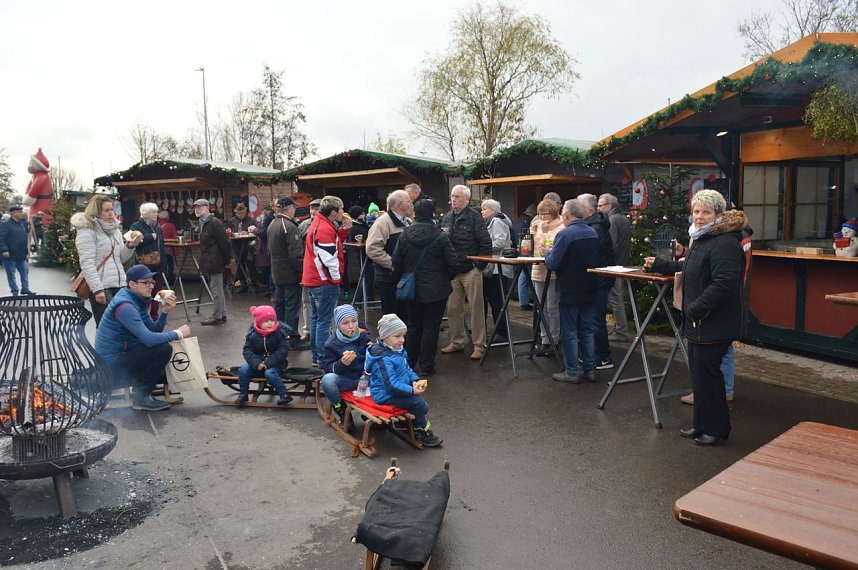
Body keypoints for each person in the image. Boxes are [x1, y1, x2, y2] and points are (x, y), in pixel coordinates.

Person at [646, 189, 745, 446]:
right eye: (697, 211)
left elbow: (725, 283)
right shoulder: (702, 238)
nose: (699, 217)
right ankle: (701, 424)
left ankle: (717, 428)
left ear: (718, 214)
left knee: (710, 377)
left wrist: (696, 308)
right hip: (699, 320)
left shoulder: (724, 242)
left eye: (706, 212)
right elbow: (688, 267)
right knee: (699, 376)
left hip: (713, 321)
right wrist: (660, 264)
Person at [94, 264, 190, 411]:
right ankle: (142, 397)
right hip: (111, 367)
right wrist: (177, 334)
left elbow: (153, 329)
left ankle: (141, 388)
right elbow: (149, 339)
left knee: (160, 347)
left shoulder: (137, 300)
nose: (151, 286)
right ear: (132, 284)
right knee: (163, 349)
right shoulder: (126, 306)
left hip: (119, 358)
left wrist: (164, 312)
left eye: (152, 282)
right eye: (145, 283)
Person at [391, 199, 460, 376]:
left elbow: (396, 262)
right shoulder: (440, 236)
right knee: (431, 327)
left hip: (412, 289)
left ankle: (410, 362)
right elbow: (453, 263)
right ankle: (427, 366)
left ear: (415, 214)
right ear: (432, 214)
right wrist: (444, 278)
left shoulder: (405, 234)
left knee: (413, 325)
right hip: (437, 290)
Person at [545, 199, 600, 383]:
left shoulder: (565, 234)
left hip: (569, 288)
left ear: (566, 215)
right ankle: (590, 369)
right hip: (590, 287)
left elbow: (554, 263)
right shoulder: (592, 232)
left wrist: (547, 253)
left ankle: (572, 371)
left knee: (569, 331)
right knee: (587, 329)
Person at [365, 314, 442, 447]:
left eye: (403, 336)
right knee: (418, 403)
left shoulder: (398, 350)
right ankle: (421, 431)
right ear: (384, 336)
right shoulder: (383, 359)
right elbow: (390, 385)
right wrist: (412, 391)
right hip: (384, 395)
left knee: (423, 406)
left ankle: (403, 424)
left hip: (397, 390)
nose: (402, 340)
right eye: (397, 336)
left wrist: (414, 380)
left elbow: (407, 369)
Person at [440, 185, 492, 360]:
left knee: (476, 310)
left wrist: (478, 266)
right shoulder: (447, 218)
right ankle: (456, 342)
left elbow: (486, 243)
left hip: (471, 269)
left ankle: (479, 345)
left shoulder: (475, 217)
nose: (453, 199)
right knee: (453, 309)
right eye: (452, 196)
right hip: (453, 270)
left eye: (457, 196)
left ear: (466, 199)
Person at [72, 195, 141, 324]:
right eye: (107, 210)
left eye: (112, 209)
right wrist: (98, 289)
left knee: (123, 324)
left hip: (119, 284)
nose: (111, 213)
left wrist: (131, 246)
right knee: (107, 326)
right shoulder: (87, 230)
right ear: (96, 211)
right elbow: (87, 263)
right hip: (102, 286)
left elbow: (120, 258)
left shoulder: (114, 229)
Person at [302, 195, 351, 367]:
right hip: (323, 281)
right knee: (324, 321)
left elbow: (331, 245)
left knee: (316, 319)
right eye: (341, 209)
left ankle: (317, 357)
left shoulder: (321, 223)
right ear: (333, 212)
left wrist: (344, 231)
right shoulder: (324, 228)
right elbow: (328, 258)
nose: (343, 212)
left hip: (314, 279)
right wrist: (337, 279)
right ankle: (323, 359)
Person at [578, 193, 616, 370]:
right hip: (597, 278)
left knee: (596, 319)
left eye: (580, 206)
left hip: (599, 279)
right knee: (593, 318)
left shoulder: (595, 228)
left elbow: (592, 253)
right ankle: (594, 354)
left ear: (590, 210)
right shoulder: (594, 224)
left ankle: (603, 357)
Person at [366, 189, 413, 321]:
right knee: (392, 318)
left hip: (404, 277)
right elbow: (372, 248)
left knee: (405, 315)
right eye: (408, 201)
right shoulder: (382, 223)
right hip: (388, 279)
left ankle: (405, 342)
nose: (411, 204)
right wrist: (392, 264)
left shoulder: (408, 221)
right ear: (399, 205)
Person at [321, 304, 372, 424]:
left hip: (364, 379)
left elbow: (374, 361)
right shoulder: (331, 343)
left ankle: (367, 412)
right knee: (327, 380)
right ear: (338, 325)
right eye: (345, 323)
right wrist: (341, 364)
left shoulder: (364, 335)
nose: (351, 326)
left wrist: (373, 350)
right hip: (346, 380)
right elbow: (328, 368)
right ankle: (340, 409)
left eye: (354, 321)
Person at [234, 305, 294, 407]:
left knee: (270, 373)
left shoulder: (279, 333)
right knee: (243, 369)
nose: (270, 323)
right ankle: (243, 393)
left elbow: (282, 351)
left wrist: (267, 363)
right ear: (259, 322)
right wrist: (256, 363)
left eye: (272, 320)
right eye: (266, 321)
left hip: (276, 364)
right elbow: (247, 350)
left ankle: (284, 394)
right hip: (258, 364)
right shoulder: (252, 335)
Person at [267, 196, 307, 349]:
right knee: (292, 308)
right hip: (290, 275)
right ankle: (291, 339)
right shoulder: (289, 226)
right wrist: (303, 272)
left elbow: (271, 251)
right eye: (294, 207)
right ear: (288, 209)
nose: (295, 210)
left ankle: (278, 337)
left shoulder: (273, 223)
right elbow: (295, 255)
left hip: (277, 273)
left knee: (280, 306)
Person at [529, 199, 565, 355]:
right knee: (540, 306)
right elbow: (533, 248)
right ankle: (544, 339)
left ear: (553, 213)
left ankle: (554, 340)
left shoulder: (561, 227)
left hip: (553, 272)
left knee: (552, 306)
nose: (542, 217)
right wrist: (533, 233)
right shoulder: (536, 226)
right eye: (540, 213)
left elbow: (553, 248)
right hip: (537, 269)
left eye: (545, 213)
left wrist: (542, 234)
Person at [194, 198, 232, 326]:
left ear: (207, 207)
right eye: (195, 207)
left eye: (200, 207)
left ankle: (217, 315)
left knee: (216, 289)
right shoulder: (203, 222)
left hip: (215, 260)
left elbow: (225, 242)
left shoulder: (214, 222)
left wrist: (227, 260)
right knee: (216, 288)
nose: (197, 209)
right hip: (210, 260)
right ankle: (222, 313)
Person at [480, 199, 514, 341]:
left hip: (497, 268)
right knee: (494, 300)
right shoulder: (493, 222)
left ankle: (502, 332)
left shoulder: (498, 222)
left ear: (492, 210)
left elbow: (500, 242)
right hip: (492, 268)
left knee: (497, 301)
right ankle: (497, 331)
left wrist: (483, 246)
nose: (482, 211)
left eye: (484, 209)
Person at [599, 193, 631, 342]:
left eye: (601, 205)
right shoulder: (624, 218)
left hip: (613, 265)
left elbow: (611, 244)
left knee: (615, 299)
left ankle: (621, 331)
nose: (598, 208)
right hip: (622, 263)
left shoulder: (612, 220)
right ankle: (620, 329)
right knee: (617, 298)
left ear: (609, 206)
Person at [131, 203, 168, 320]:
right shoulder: (135, 226)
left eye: (156, 212)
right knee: (143, 293)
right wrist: (149, 237)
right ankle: (142, 316)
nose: (156, 214)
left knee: (157, 292)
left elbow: (162, 245)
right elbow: (132, 242)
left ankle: (154, 316)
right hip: (143, 266)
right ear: (146, 214)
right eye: (154, 212)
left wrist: (164, 264)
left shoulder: (158, 227)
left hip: (158, 265)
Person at [298, 198, 321, 342]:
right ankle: (307, 330)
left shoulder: (331, 224)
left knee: (323, 301)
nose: (313, 211)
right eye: (312, 208)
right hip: (308, 267)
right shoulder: (303, 225)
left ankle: (324, 329)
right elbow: (298, 246)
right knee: (306, 300)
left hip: (323, 269)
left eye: (317, 208)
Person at [0, 205, 36, 296]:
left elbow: (23, 238)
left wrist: (26, 252)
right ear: (13, 213)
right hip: (10, 254)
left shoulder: (21, 224)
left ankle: (25, 289)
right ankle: (14, 291)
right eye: (19, 212)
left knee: (24, 272)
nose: (21, 213)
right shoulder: (5, 224)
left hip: (21, 254)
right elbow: (1, 238)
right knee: (11, 274)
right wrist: (4, 250)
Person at [348, 205, 375, 303]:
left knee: (368, 278)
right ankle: (361, 301)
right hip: (362, 254)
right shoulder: (355, 227)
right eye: (362, 213)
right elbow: (357, 241)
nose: (364, 215)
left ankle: (367, 300)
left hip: (368, 255)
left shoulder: (363, 224)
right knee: (366, 278)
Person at [226, 203, 255, 292]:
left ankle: (254, 283)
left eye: (242, 213)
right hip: (236, 246)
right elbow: (227, 229)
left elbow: (257, 229)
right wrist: (229, 231)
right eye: (238, 213)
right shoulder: (232, 221)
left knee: (251, 265)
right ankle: (243, 284)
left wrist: (247, 232)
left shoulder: (251, 220)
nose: (240, 215)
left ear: (245, 212)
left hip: (248, 246)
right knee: (239, 265)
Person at [514, 204, 537, 310]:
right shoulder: (529, 222)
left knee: (522, 277)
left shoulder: (516, 221)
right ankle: (535, 300)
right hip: (529, 252)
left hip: (519, 252)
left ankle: (523, 302)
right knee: (531, 276)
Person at [157, 210, 178, 285]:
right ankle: (170, 279)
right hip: (169, 249)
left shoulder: (156, 225)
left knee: (163, 264)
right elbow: (175, 237)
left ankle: (163, 280)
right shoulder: (171, 225)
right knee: (170, 264)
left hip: (159, 249)